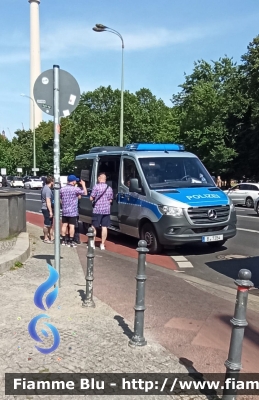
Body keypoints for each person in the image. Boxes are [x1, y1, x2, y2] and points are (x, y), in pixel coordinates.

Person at [60, 175, 87, 247]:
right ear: (73, 181)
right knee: (72, 226)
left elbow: (60, 199)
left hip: (65, 210)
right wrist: (83, 185)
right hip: (72, 211)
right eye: (75, 180)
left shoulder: (62, 189)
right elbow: (85, 193)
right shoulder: (75, 189)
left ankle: (63, 240)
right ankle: (70, 241)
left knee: (64, 225)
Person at [90, 172, 113, 250]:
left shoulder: (96, 187)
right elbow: (110, 200)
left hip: (97, 210)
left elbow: (91, 198)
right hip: (106, 210)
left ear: (99, 178)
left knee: (94, 227)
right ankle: (102, 244)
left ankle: (92, 243)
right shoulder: (109, 188)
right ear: (105, 179)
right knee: (104, 227)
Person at [41, 176, 54, 243]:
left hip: (45, 208)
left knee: (50, 224)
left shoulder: (45, 188)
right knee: (47, 224)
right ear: (51, 182)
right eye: (53, 181)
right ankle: (46, 238)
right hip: (46, 209)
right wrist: (51, 211)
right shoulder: (48, 190)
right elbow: (48, 201)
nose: (54, 183)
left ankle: (51, 237)